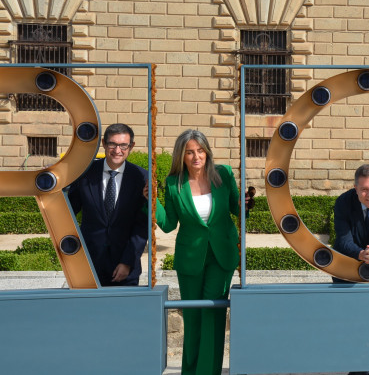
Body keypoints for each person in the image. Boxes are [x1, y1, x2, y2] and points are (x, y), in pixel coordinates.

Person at [156, 129, 241, 375]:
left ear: (207, 152)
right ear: (181, 156)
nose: (196, 156)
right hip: (190, 259)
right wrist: (151, 202)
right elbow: (169, 224)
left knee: (212, 314)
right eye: (190, 152)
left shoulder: (223, 174)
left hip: (221, 256)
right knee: (192, 319)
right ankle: (190, 372)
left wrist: (245, 202)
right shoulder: (173, 184)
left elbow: (237, 209)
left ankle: (207, 372)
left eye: (200, 150)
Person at [66, 123, 149, 286]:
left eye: (123, 145)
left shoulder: (141, 177)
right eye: (113, 144)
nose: (117, 150)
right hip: (88, 264)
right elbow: (67, 213)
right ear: (104, 143)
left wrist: (128, 261)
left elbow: (142, 225)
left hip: (125, 267)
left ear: (131, 146)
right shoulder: (85, 174)